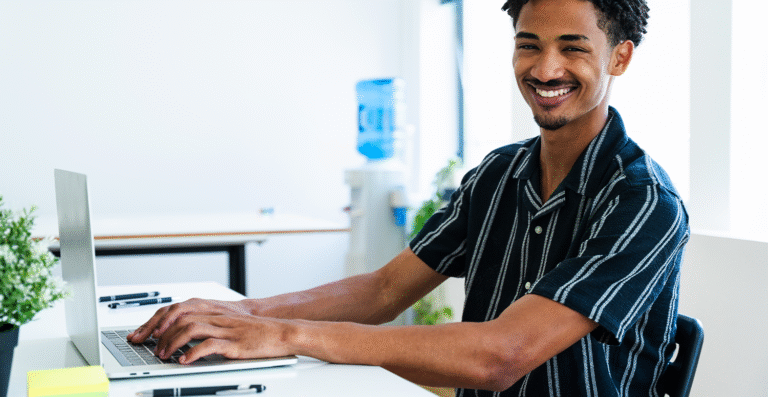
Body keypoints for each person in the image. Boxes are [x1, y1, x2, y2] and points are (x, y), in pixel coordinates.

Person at [128, 0, 690, 395]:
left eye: (573, 48)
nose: (545, 69)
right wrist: (235, 314)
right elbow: (383, 290)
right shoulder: (498, 174)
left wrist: (283, 335)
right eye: (529, 46)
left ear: (619, 57)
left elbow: (503, 355)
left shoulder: (643, 202)